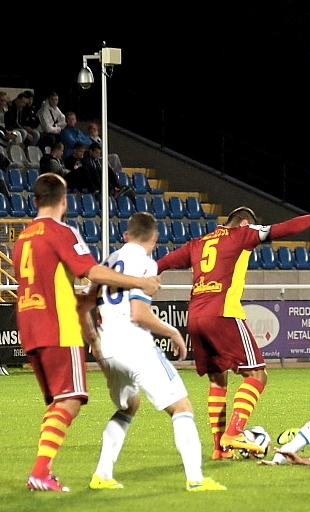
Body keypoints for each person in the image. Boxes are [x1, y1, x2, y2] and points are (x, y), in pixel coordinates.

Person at [12, 172, 161, 492]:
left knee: (59, 401)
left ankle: (42, 470)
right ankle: (39, 471)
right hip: (58, 326)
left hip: (29, 325)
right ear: (64, 201)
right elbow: (91, 271)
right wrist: (141, 282)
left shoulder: (22, 238)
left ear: (35, 200)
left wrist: (90, 333)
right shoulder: (61, 231)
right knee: (70, 399)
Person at [157, 203, 310, 459]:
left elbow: (164, 262)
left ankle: (220, 449)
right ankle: (234, 432)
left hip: (194, 317)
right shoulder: (241, 234)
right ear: (245, 224)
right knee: (257, 375)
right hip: (223, 313)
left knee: (218, 380)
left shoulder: (198, 243)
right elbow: (283, 229)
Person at [84, 211, 226, 492]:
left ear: (126, 235)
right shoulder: (146, 264)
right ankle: (196, 479)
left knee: (129, 406)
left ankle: (102, 474)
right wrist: (172, 331)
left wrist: (95, 344)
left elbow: (85, 305)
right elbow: (139, 313)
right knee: (181, 408)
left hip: (107, 348)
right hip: (134, 344)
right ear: (155, 237)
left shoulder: (107, 263)